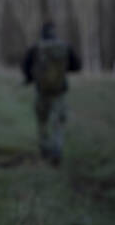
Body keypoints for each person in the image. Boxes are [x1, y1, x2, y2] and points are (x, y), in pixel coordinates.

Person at [21, 20, 81, 166]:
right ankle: (57, 150)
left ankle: (44, 149)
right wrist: (61, 70)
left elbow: (25, 66)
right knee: (58, 122)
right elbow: (77, 66)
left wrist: (31, 77)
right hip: (59, 92)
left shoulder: (35, 48)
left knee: (42, 121)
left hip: (41, 91)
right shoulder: (64, 47)